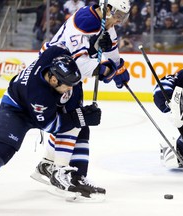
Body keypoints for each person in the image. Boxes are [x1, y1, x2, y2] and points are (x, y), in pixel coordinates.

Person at [31, 0, 131, 199]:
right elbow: (81, 65)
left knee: (78, 120)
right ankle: (60, 173)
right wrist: (106, 70)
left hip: (68, 74)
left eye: (123, 16)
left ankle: (50, 166)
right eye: (117, 14)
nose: (119, 20)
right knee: (76, 121)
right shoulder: (85, 21)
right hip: (56, 72)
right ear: (107, 8)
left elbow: (111, 49)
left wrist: (119, 68)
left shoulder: (105, 22)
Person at [0, 45, 103, 194]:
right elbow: (52, 125)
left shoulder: (56, 53)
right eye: (67, 86)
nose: (70, 89)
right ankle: (58, 172)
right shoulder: (39, 95)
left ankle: (71, 175)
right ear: (54, 80)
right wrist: (79, 116)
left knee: (81, 126)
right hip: (17, 110)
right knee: (4, 148)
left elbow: (54, 46)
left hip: (45, 105)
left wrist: (93, 49)